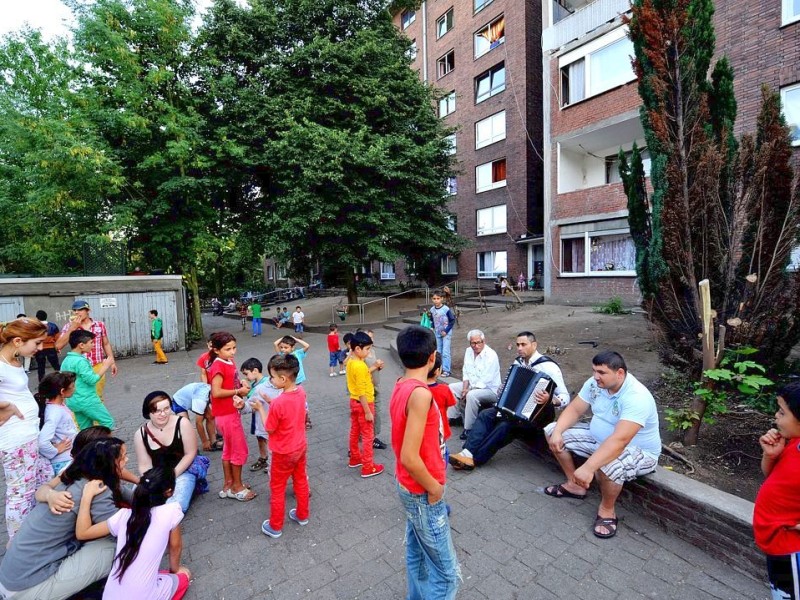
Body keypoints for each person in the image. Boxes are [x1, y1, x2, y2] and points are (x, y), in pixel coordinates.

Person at [544, 351, 661, 539]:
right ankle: (575, 486)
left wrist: (589, 467)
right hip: (599, 440)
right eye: (593, 371)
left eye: (601, 372)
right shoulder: (595, 385)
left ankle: (607, 510)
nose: (595, 377)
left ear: (620, 373)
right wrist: (557, 432)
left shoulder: (637, 397)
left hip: (638, 451)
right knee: (552, 431)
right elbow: (574, 409)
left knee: (606, 464)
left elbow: (620, 441)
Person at [0, 437, 132, 599]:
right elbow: (120, 528)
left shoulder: (71, 476)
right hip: (26, 588)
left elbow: (124, 491)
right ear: (108, 463)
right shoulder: (98, 489)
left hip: (10, 578)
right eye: (123, 457)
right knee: (113, 547)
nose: (127, 460)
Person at [390, 325, 460, 599]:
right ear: (433, 357)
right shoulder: (421, 394)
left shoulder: (401, 384)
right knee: (446, 575)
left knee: (418, 555)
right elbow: (409, 456)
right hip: (422, 490)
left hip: (409, 486)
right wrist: (435, 488)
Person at [449, 331, 570, 471]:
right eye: (518, 344)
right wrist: (503, 389)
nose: (519, 348)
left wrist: (550, 400)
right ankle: (467, 452)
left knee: (506, 426)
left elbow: (565, 397)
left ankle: (475, 459)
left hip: (538, 416)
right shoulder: (518, 362)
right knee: (486, 415)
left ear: (534, 345)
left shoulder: (548, 366)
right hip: (514, 410)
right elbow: (510, 385)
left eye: (523, 344)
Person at [75, 467, 191, 600]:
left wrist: (86, 496)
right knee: (184, 577)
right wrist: (176, 570)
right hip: (144, 596)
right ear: (169, 492)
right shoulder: (171, 511)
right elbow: (175, 547)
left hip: (108, 596)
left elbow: (82, 533)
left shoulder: (123, 515)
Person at [251, 354, 310, 539]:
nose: (271, 380)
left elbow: (269, 428)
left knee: (277, 488)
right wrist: (270, 401)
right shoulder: (300, 392)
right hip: (300, 447)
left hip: (282, 452)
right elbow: (288, 411)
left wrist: (261, 408)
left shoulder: (279, 403)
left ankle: (275, 526)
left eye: (273, 377)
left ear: (283, 379)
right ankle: (302, 515)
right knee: (300, 480)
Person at [0, 318, 49, 540]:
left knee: (41, 480)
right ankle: (17, 547)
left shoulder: (13, 359)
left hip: (27, 437)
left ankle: (32, 537)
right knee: (20, 494)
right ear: (18, 341)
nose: (40, 349)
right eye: (37, 343)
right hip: (15, 440)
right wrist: (6, 406)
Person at [754, 382, 800, 599]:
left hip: (791, 548)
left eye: (782, 412)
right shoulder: (794, 443)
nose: (776, 416)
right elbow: (772, 477)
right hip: (777, 542)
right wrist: (770, 455)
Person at [207, 331, 257, 502]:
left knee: (228, 450)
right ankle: (237, 487)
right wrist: (239, 391)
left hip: (228, 413)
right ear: (216, 350)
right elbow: (216, 391)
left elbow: (232, 380)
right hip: (226, 415)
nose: (233, 352)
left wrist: (241, 383)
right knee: (239, 450)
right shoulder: (218, 366)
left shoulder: (228, 361)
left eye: (234, 347)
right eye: (228, 349)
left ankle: (229, 484)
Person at [134, 391, 199, 513]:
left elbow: (190, 453)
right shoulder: (140, 434)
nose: (163, 414)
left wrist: (171, 476)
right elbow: (144, 465)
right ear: (148, 412)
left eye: (167, 408)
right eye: (157, 411)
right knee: (138, 498)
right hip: (157, 475)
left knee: (177, 505)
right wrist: (152, 482)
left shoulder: (182, 423)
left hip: (182, 472)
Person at [56, 299, 117, 400]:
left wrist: (112, 361)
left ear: (88, 310)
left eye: (80, 310)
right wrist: (72, 328)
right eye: (74, 310)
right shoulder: (69, 326)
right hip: (78, 368)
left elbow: (105, 343)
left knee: (97, 397)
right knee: (78, 397)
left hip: (97, 366)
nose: (76, 312)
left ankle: (96, 414)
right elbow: (58, 346)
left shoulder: (99, 325)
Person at [447, 329, 502, 440]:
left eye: (478, 342)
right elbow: (466, 371)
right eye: (473, 343)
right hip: (472, 385)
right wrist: (464, 387)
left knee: (471, 395)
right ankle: (453, 417)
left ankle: (469, 428)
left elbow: (486, 379)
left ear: (483, 341)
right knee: (451, 387)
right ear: (470, 343)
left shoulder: (491, 355)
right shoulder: (468, 351)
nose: (476, 345)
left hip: (490, 390)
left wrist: (469, 390)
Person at [346, 332, 384, 478]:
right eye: (367, 349)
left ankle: (355, 458)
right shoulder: (360, 366)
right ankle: (368, 466)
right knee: (368, 436)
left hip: (354, 402)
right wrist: (368, 411)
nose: (369, 352)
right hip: (364, 403)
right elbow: (362, 390)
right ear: (357, 349)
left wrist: (374, 367)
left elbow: (362, 376)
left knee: (355, 431)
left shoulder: (352, 362)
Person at [61, 330, 116, 430]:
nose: (93, 345)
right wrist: (105, 366)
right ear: (81, 345)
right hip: (87, 400)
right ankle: (105, 445)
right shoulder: (80, 361)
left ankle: (89, 445)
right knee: (108, 422)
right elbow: (91, 380)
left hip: (74, 401)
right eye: (91, 342)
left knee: (85, 429)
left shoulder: (66, 360)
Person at [240, 358, 280, 474]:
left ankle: (270, 463)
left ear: (255, 370)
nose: (246, 377)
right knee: (260, 436)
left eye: (246, 373)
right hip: (258, 417)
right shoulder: (258, 386)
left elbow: (250, 397)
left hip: (267, 420)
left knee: (269, 441)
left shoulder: (264, 385)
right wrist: (242, 405)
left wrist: (246, 389)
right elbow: (250, 402)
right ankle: (265, 459)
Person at [36, 372, 78, 477]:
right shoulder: (54, 412)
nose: (74, 389)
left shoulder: (58, 407)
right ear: (62, 391)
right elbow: (42, 442)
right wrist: (55, 450)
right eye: (72, 387)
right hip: (64, 462)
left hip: (70, 457)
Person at [274, 335, 312, 428]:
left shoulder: (297, 353)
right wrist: (284, 337)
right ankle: (293, 417)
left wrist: (295, 339)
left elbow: (307, 346)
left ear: (292, 347)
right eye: (282, 347)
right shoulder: (281, 356)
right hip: (288, 382)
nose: (283, 349)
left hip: (297, 382)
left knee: (302, 400)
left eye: (286, 347)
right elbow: (275, 343)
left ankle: (306, 419)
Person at [359, 328, 387, 449]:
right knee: (369, 414)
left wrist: (379, 367)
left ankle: (372, 436)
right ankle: (367, 439)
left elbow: (373, 366)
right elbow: (360, 373)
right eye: (370, 337)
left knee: (377, 413)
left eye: (373, 337)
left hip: (375, 387)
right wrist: (374, 366)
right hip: (366, 390)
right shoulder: (360, 354)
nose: (372, 340)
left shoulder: (372, 351)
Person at [428, 353, 457, 463]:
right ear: (437, 371)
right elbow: (451, 403)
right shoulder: (444, 389)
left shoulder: (418, 389)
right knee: (441, 454)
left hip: (425, 429)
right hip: (440, 429)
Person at [193, 340, 221, 451]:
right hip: (209, 389)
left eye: (214, 346)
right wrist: (206, 388)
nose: (212, 348)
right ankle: (210, 439)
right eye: (210, 346)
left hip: (220, 388)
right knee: (210, 414)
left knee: (218, 412)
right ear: (207, 345)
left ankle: (219, 434)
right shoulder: (204, 358)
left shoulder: (221, 357)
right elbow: (203, 373)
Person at [429, 290, 456, 378]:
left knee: (445, 351)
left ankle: (447, 370)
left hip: (446, 333)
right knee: (439, 352)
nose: (436, 300)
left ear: (442, 299)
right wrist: (432, 326)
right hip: (437, 332)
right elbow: (432, 319)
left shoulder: (446, 309)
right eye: (434, 299)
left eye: (438, 298)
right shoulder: (432, 309)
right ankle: (439, 368)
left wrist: (446, 330)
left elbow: (452, 320)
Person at [34, 310, 61, 382]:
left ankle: (41, 382)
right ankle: (61, 379)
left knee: (40, 366)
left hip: (39, 349)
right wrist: (58, 348)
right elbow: (57, 338)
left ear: (37, 318)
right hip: (51, 348)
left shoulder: (35, 327)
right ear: (46, 317)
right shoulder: (53, 325)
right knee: (56, 365)